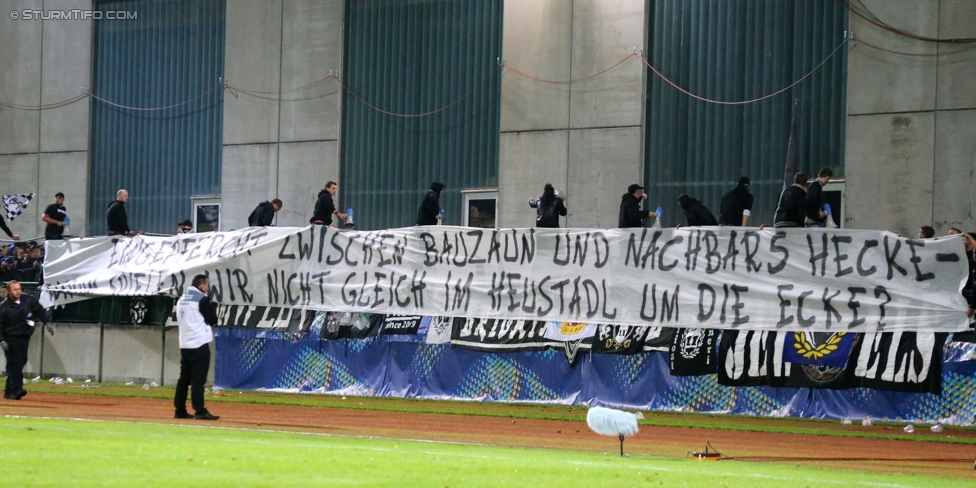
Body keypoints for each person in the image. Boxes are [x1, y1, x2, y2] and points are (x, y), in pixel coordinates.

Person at [174, 274, 219, 420]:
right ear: (201, 286)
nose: (208, 287)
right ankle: (199, 410)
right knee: (198, 380)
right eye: (207, 285)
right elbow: (213, 320)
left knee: (184, 379)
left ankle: (179, 410)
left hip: (185, 343)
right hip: (199, 343)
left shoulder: (182, 298)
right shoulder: (201, 299)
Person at [0, 280, 52, 400]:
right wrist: (2, 340)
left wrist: (46, 322)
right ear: (9, 291)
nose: (18, 292)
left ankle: (9, 391)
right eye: (15, 289)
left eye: (19, 289)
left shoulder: (28, 300)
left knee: (19, 362)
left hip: (24, 336)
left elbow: (39, 310)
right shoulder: (3, 307)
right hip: (11, 337)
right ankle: (17, 389)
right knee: (17, 362)